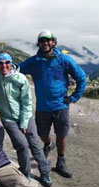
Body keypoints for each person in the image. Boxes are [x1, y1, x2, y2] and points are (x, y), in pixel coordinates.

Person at [19, 30, 87, 178]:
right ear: (39, 44)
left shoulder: (64, 60)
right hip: (43, 107)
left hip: (61, 106)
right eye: (42, 41)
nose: (45, 43)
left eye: (48, 40)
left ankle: (61, 161)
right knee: (42, 134)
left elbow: (81, 77)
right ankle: (49, 144)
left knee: (61, 135)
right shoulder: (34, 62)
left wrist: (74, 97)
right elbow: (16, 69)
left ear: (54, 42)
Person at [0, 52, 52, 187]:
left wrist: (24, 123)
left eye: (7, 62)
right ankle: (25, 172)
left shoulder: (20, 78)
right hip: (8, 118)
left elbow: (27, 102)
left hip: (25, 116)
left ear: (11, 63)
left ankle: (45, 171)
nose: (4, 66)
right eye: (0, 63)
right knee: (22, 145)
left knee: (34, 144)